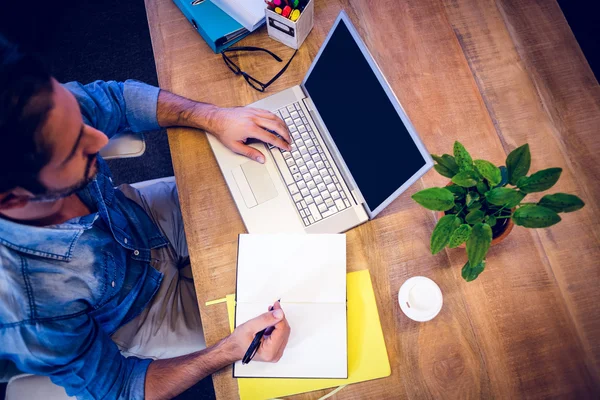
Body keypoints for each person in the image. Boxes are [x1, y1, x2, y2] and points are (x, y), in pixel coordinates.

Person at [0, 35, 291, 399]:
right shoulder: (29, 310)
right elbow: (121, 388)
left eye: (79, 121)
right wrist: (227, 351)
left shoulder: (31, 107)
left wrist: (215, 117)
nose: (98, 138)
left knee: (289, 214)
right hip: (144, 314)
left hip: (140, 217)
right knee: (295, 310)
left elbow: (117, 99)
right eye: (75, 148)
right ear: (11, 199)